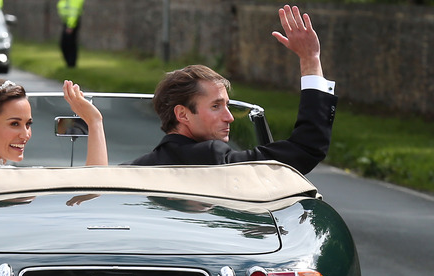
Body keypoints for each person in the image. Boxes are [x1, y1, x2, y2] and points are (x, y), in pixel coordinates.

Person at [127, 5, 337, 176]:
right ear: (182, 114)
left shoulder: (135, 170)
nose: (229, 118)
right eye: (216, 106)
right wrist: (310, 60)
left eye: (227, 106)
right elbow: (306, 148)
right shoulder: (211, 157)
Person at [0, 78, 107, 167]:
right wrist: (94, 122)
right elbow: (96, 186)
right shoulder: (15, 180)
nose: (25, 134)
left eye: (28, 124)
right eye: (14, 124)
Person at [57, 0, 84, 68]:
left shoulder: (74, 1)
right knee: (66, 44)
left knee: (69, 44)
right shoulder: (64, 1)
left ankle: (71, 64)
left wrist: (70, 26)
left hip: (71, 24)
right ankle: (70, 64)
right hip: (66, 23)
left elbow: (73, 13)